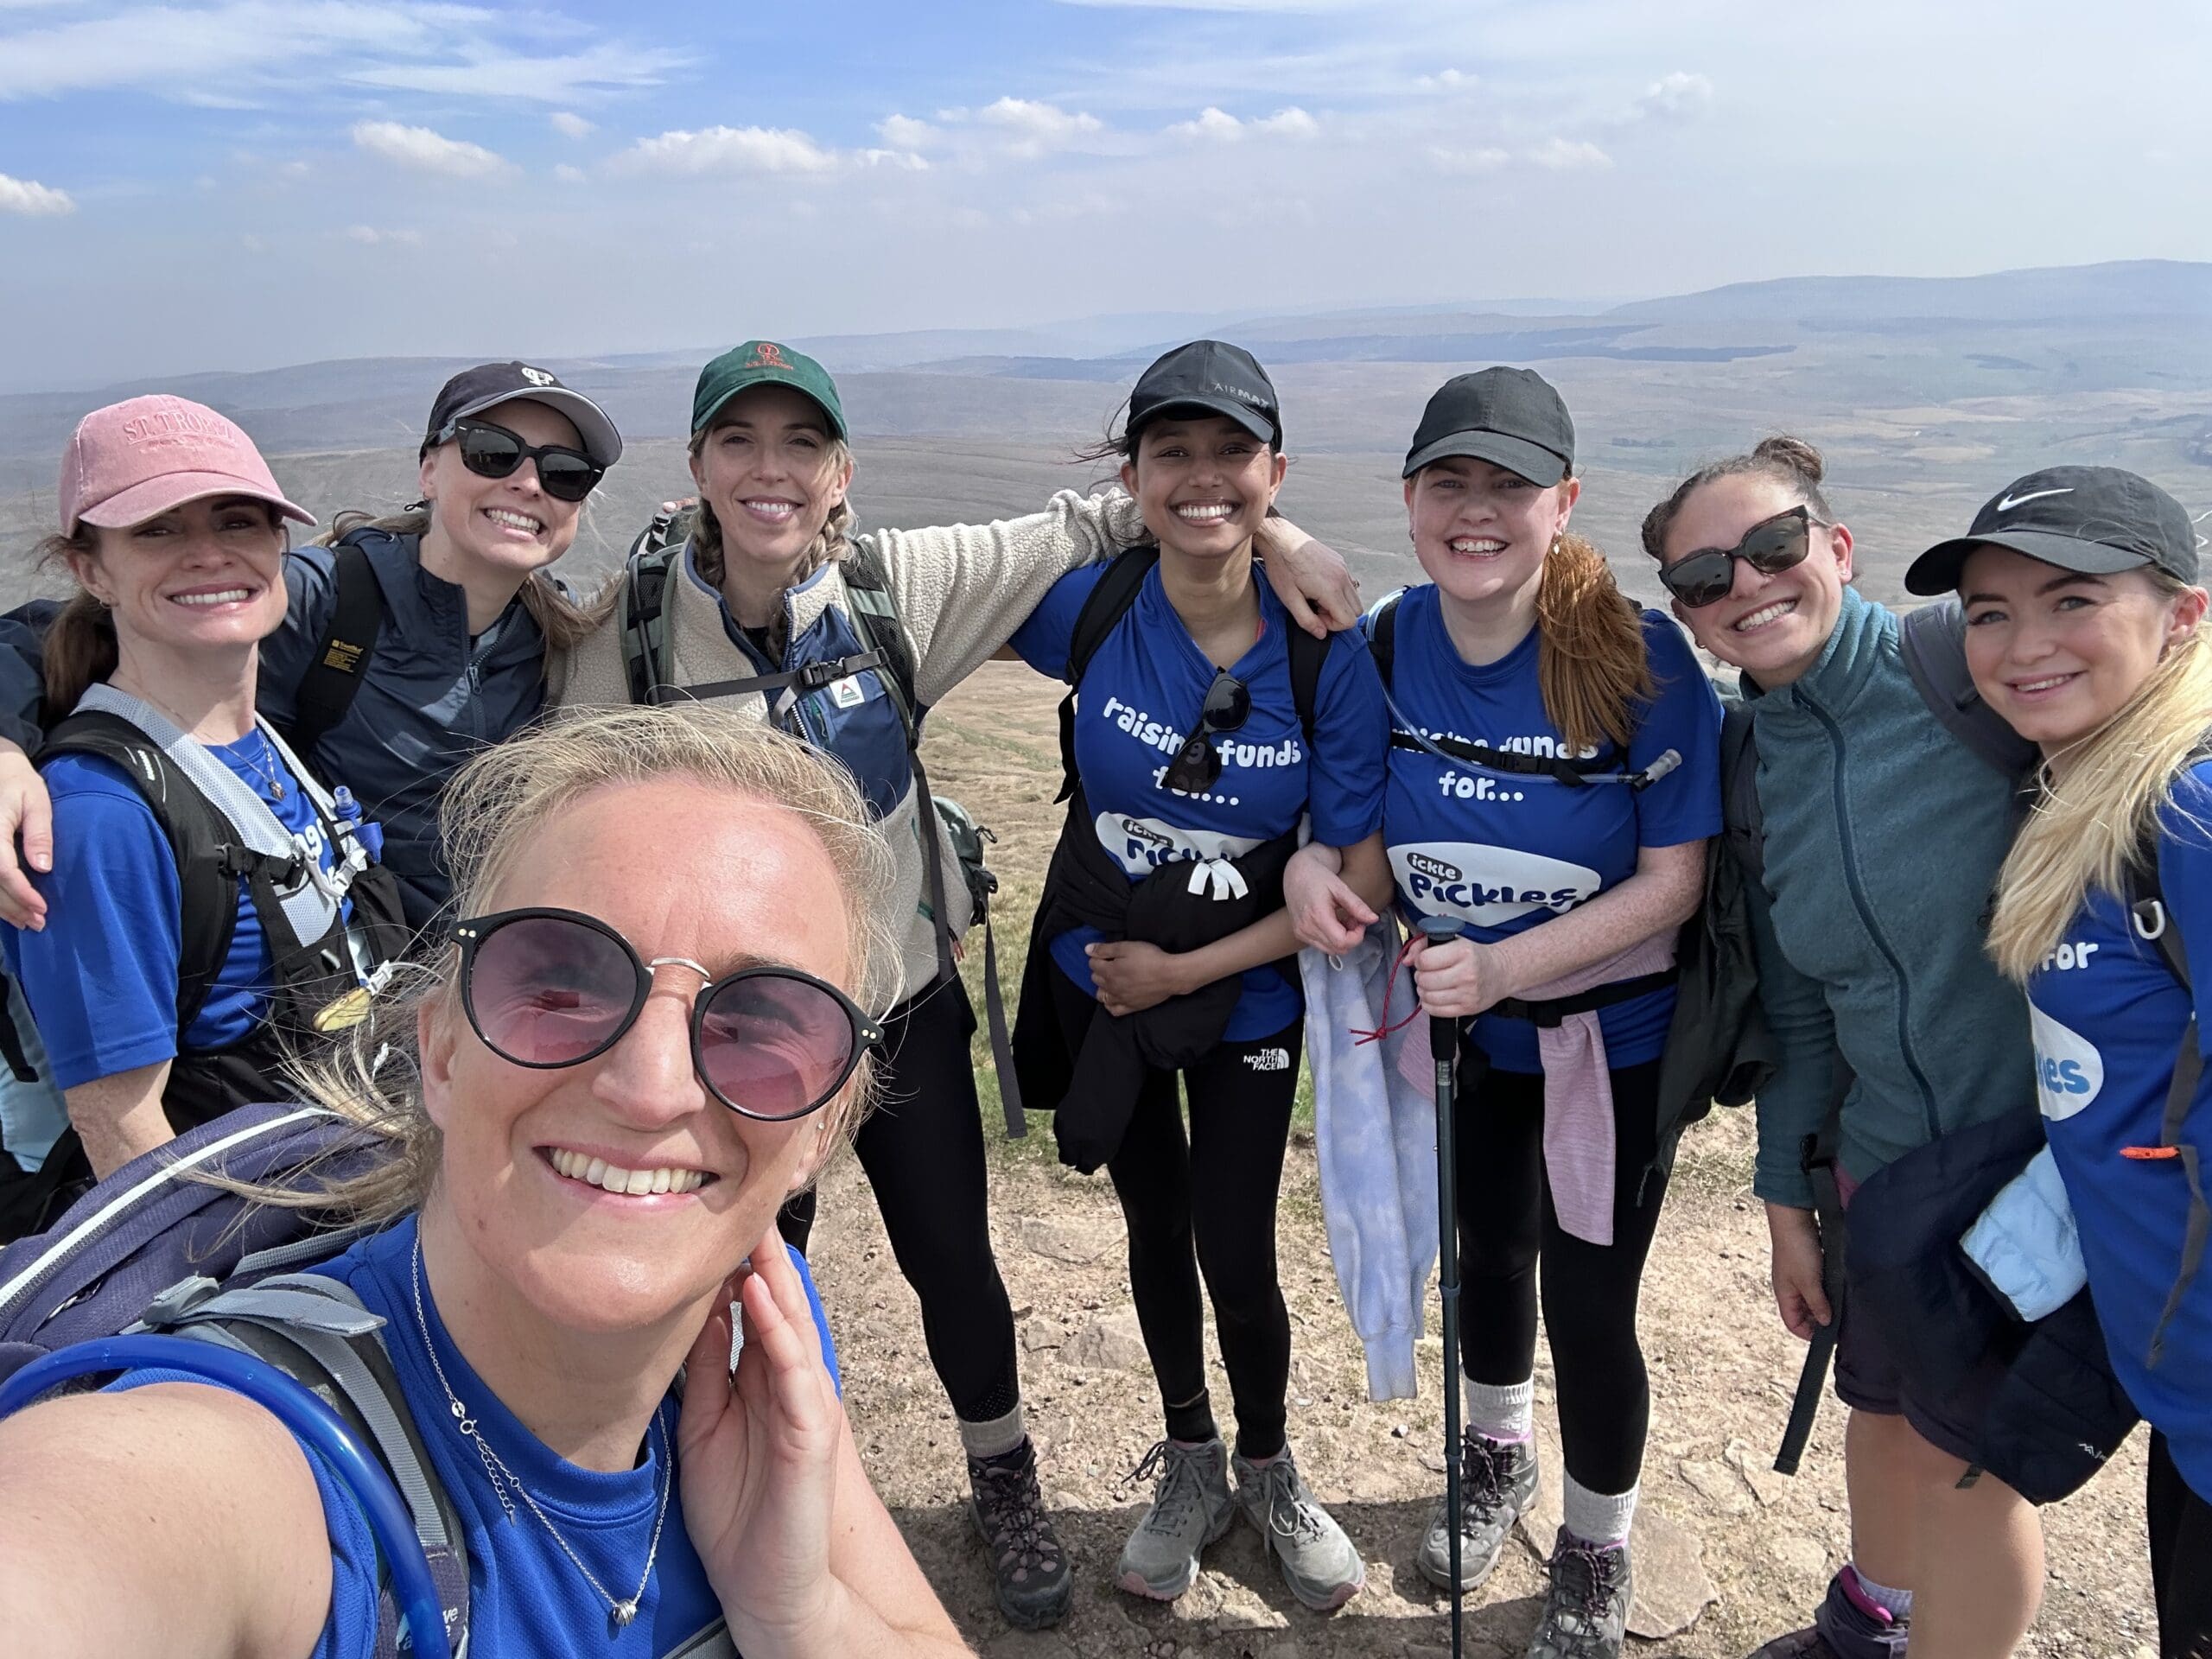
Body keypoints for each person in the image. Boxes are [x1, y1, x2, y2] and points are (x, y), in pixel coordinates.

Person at [552, 340, 1361, 1630]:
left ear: (841, 471)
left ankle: (1006, 1483)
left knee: (956, 1265)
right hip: (736, 1037)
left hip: (904, 1005)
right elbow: (563, 817)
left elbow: (1120, 513)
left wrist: (1289, 540)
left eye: (801, 446)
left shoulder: (899, 585)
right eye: (741, 445)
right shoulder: (627, 645)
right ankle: (722, 1505)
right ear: (697, 466)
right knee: (734, 1274)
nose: (772, 471)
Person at [0, 704, 973, 1659]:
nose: (650, 1087)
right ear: (441, 1051)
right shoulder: (250, 1470)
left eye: (761, 1019)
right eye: (561, 983)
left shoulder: (752, 1330)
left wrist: (799, 1614)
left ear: (823, 1127)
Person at [1288, 367, 1719, 1659]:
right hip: (1463, 1034)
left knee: (1590, 1308)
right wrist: (1319, 866)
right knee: (1490, 1263)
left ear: (1564, 503)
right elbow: (1359, 834)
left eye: (1510, 488)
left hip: (1606, 1045)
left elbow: (1674, 883)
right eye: (1448, 484)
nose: (1477, 514)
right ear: (1411, 498)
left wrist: (1510, 965)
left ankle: (1595, 1548)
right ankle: (1497, 1457)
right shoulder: (1386, 644)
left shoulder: (1640, 658)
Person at [1642, 438, 2044, 1659]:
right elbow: (1804, 1007)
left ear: (1839, 548)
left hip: (2034, 1165)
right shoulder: (1753, 760)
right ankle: (1873, 1619)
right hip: (1882, 1172)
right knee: (1878, 1408)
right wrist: (1787, 1203)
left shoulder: (1970, 681)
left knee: (1963, 1465)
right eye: (1708, 576)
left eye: (1773, 546)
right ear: (1689, 618)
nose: (1748, 585)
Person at [1006, 340, 1390, 1614]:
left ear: (1278, 469)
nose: (1203, 477)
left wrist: (1188, 969)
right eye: (1173, 452)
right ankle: (1190, 1462)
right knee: (1152, 1226)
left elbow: (1340, 884)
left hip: (1243, 992)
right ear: (1132, 474)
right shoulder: (1093, 608)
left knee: (1236, 1242)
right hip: (1103, 975)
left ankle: (1270, 1469)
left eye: (1234, 453)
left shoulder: (1327, 648)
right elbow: (918, 596)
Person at [1908, 468, 2212, 1659]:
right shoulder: (2094, 785)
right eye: (1990, 611)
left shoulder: (2189, 816)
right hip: (2180, 1387)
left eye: (2071, 599)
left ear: (2184, 615)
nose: (2021, 645)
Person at [0, 361, 621, 938]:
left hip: (485, 979)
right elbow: (52, 631)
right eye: (493, 453)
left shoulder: (556, 634)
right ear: (429, 470)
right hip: (344, 990)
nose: (528, 483)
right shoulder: (322, 599)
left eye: (565, 472)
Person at [0, 397, 404, 1188]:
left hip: (351, 1183)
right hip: (255, 1241)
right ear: (90, 570)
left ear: (282, 544)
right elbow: (122, 1128)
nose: (209, 554)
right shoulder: (97, 814)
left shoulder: (269, 746)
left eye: (238, 522)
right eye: (157, 530)